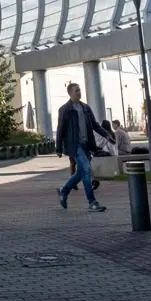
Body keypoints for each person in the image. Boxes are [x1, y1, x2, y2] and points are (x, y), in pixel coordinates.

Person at [55, 83, 111, 212]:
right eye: (76, 91)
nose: (79, 93)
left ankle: (64, 191)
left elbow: (95, 125)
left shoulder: (86, 108)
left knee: (80, 173)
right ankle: (92, 201)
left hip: (87, 145)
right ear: (70, 93)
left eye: (79, 90)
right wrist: (58, 147)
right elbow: (60, 129)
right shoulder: (65, 109)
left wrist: (107, 135)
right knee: (86, 170)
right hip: (75, 145)